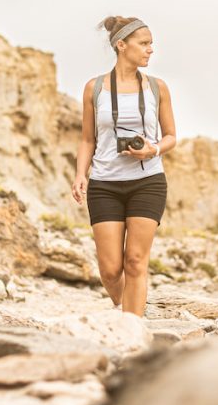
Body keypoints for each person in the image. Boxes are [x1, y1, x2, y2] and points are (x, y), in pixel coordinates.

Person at [71, 16, 176, 317]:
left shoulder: (158, 88)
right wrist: (81, 174)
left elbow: (171, 137)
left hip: (148, 182)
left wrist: (153, 149)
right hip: (105, 184)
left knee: (135, 262)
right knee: (110, 270)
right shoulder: (94, 88)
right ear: (121, 45)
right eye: (144, 44)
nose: (150, 50)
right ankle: (124, 308)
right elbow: (87, 139)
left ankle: (134, 327)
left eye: (151, 44)